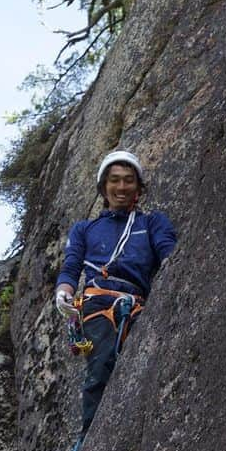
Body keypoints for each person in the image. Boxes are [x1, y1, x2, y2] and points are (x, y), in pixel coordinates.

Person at [54, 149, 177, 434]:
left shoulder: (152, 223)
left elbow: (168, 251)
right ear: (103, 187)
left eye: (128, 180)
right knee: (100, 371)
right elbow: (71, 267)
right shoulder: (85, 229)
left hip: (137, 304)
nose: (121, 187)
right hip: (99, 304)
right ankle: (90, 440)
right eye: (114, 181)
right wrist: (63, 292)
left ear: (138, 187)